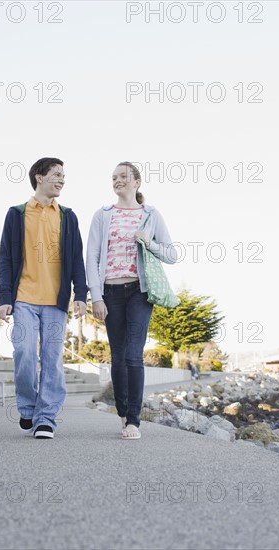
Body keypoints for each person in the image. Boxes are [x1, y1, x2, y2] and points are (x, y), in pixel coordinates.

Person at [86, 161, 178, 440]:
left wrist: (148, 242)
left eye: (123, 176)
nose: (117, 181)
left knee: (133, 354)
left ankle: (134, 421)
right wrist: (96, 297)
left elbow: (172, 254)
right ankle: (123, 413)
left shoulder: (150, 215)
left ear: (137, 182)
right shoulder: (102, 215)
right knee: (117, 357)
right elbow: (91, 258)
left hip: (139, 291)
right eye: (113, 177)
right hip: (110, 293)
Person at [0, 157, 87, 439]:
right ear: (39, 177)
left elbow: (76, 259)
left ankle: (46, 418)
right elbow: (6, 259)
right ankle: (27, 407)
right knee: (24, 352)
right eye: (57, 174)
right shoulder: (17, 213)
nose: (62, 180)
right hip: (24, 297)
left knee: (52, 359)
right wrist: (4, 296)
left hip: (56, 302)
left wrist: (80, 294)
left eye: (64, 175)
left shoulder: (68, 216)